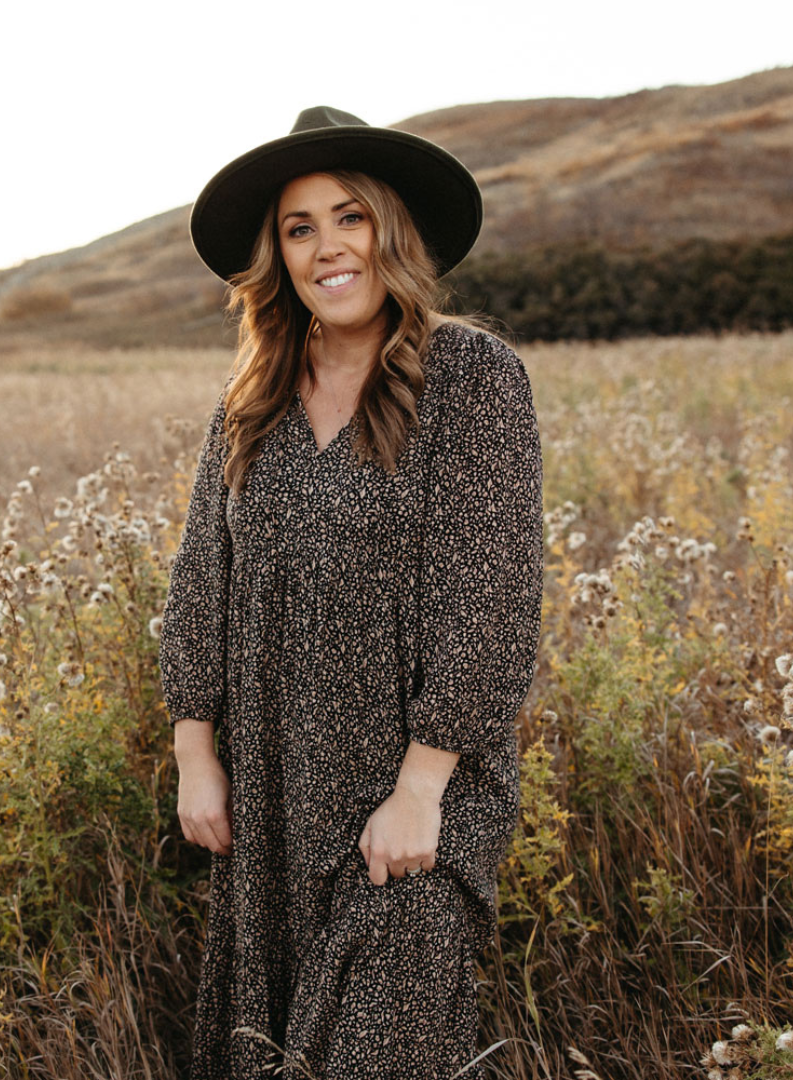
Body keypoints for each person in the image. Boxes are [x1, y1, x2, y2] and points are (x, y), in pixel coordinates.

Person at [158, 106, 544, 1080]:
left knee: (375, 1051)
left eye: (350, 217)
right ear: (276, 255)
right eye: (299, 228)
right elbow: (204, 576)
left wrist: (420, 792)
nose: (327, 247)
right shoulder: (252, 400)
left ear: (392, 232)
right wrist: (195, 753)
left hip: (413, 795)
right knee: (267, 1047)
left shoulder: (471, 377)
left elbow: (490, 598)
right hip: (275, 789)